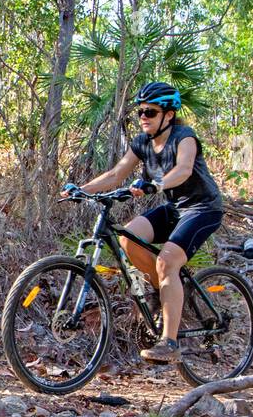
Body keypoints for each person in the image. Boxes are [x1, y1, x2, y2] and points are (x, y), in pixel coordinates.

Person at [66, 81, 224, 364]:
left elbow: (184, 169)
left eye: (150, 112)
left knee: (167, 262)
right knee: (127, 238)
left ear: (169, 114)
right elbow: (116, 174)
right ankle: (162, 292)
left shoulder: (184, 137)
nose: (143, 118)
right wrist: (80, 189)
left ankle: (170, 342)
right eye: (139, 112)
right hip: (174, 208)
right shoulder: (142, 142)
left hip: (203, 209)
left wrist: (156, 184)